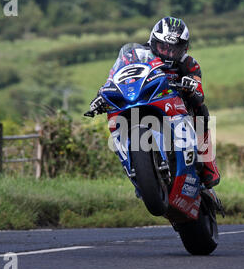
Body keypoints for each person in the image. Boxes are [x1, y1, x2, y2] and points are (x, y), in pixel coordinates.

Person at [90, 17, 220, 189]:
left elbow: (199, 93)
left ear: (185, 48)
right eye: (163, 47)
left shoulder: (189, 63)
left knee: (201, 109)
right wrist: (102, 94)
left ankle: (208, 163)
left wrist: (191, 86)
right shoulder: (134, 55)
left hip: (174, 104)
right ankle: (137, 168)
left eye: (175, 49)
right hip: (143, 97)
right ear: (153, 41)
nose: (169, 53)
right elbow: (114, 76)